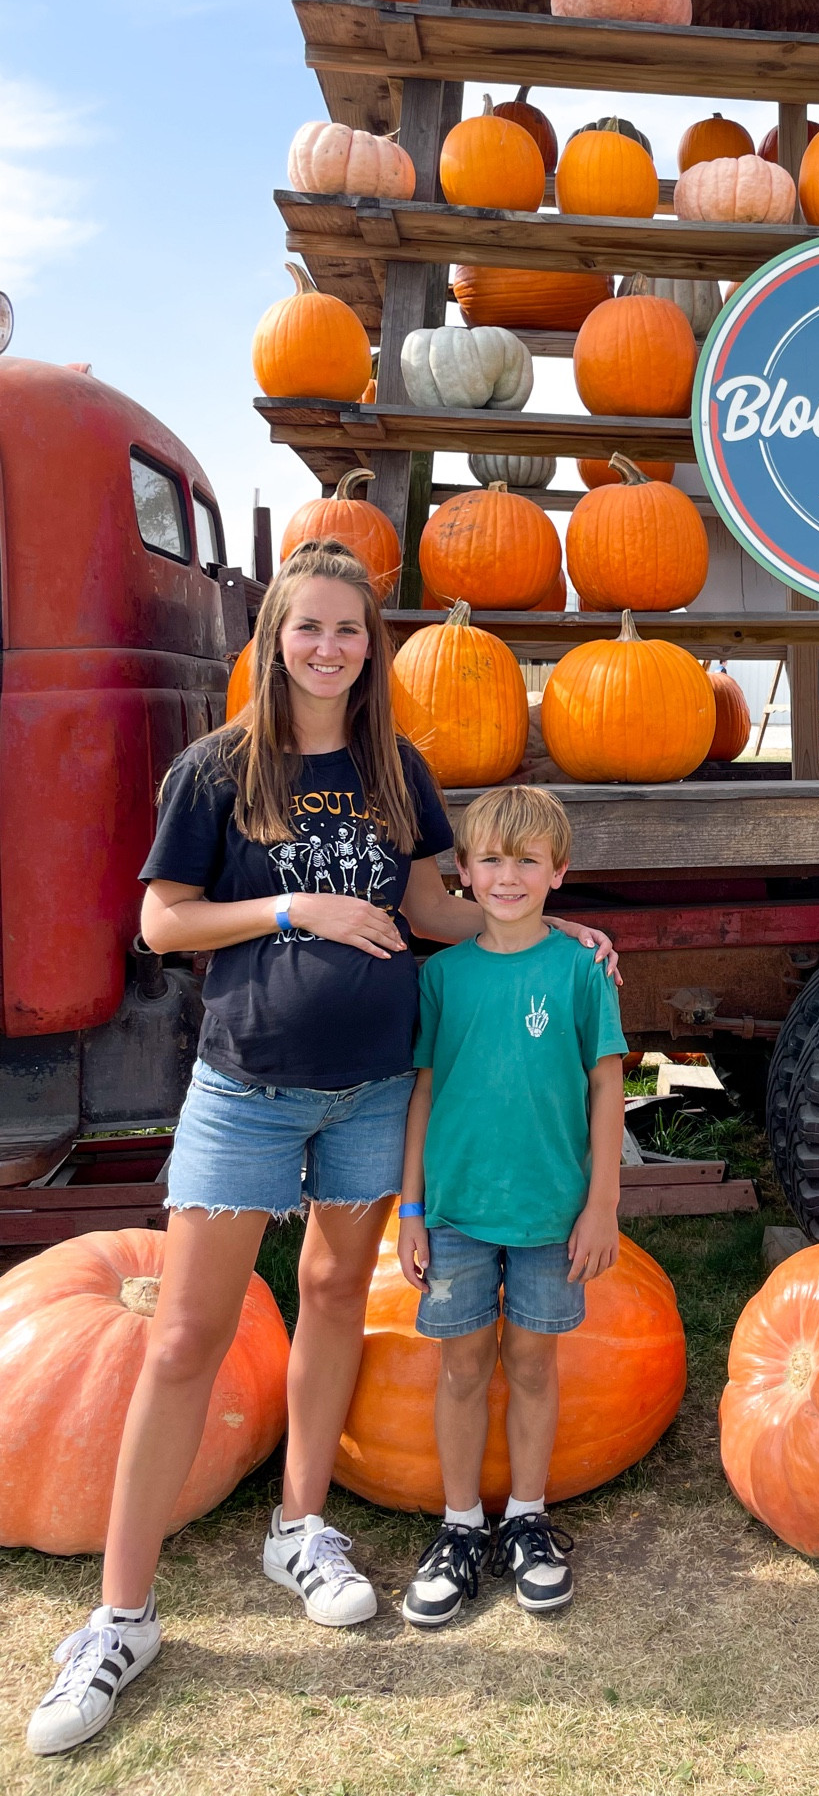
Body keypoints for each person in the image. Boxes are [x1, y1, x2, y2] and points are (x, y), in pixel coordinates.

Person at [27, 539, 617, 1757]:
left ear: (371, 646)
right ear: (275, 638)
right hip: (245, 1086)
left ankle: (300, 1526)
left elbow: (435, 907)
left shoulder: (398, 769)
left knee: (337, 1292)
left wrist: (557, 933)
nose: (329, 646)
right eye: (309, 628)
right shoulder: (218, 769)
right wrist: (296, 907)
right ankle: (120, 1615)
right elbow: (163, 918)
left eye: (350, 629)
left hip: (367, 1090)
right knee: (185, 1333)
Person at [396, 784, 627, 1629]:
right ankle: (460, 1528)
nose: (507, 875)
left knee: (532, 1364)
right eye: (490, 859)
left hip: (552, 1215)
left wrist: (603, 1203)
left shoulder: (579, 970)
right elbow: (423, 1093)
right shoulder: (443, 976)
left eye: (527, 861)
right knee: (461, 1369)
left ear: (558, 872)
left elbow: (608, 1086)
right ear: (461, 872)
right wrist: (411, 1210)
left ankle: (528, 1518)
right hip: (455, 1212)